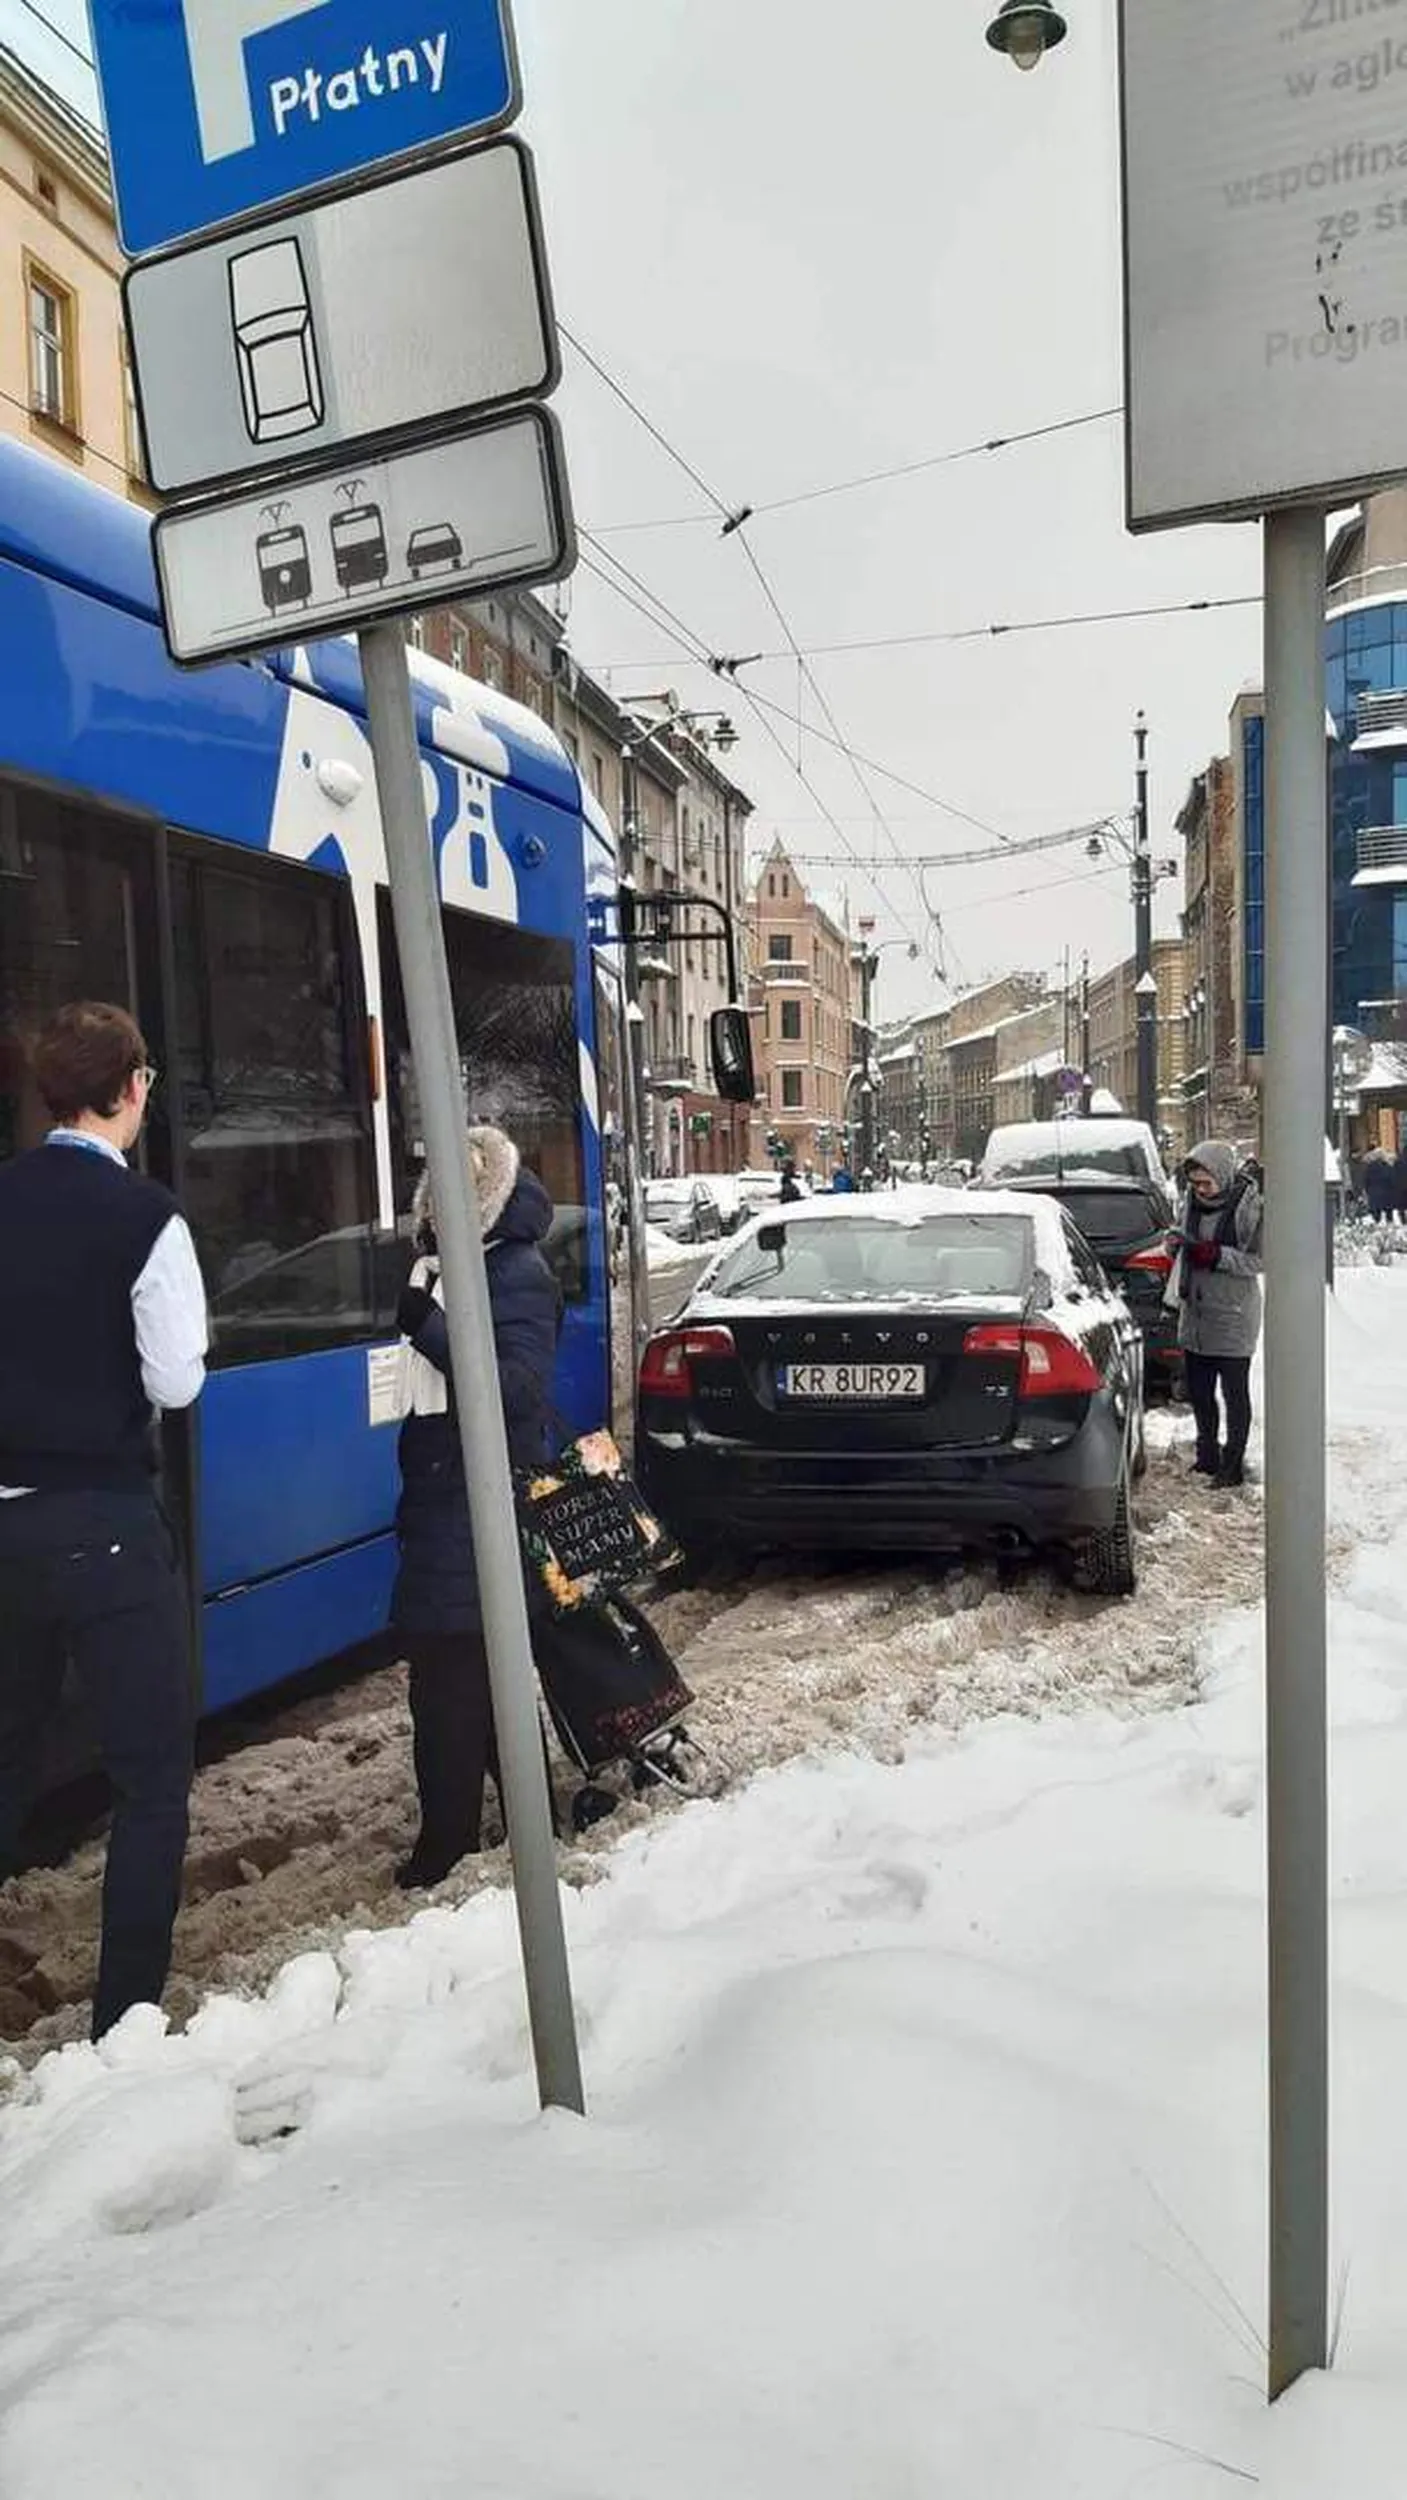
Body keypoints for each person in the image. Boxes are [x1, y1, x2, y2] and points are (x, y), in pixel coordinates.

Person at [0, 1002, 208, 2038]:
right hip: (107, 1527)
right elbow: (174, 1380)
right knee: (150, 1777)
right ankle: (123, 2025)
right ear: (127, 1091)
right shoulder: (148, 1218)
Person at [391, 1125, 559, 1889]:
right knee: (471, 1673)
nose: (435, 1215)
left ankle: (447, 1845)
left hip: (479, 1499)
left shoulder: (515, 1272)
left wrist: (428, 1329)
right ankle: (530, 1817)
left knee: (448, 1677)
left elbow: (515, 1391)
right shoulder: (451, 1268)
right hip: (444, 1494)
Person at [1169, 1139, 1263, 1491]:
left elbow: (1259, 1260)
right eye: (1195, 1183)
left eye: (1206, 1182)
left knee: (1234, 1393)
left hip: (1234, 1316)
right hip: (1196, 1314)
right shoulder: (1191, 1203)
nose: (1200, 1190)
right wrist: (1175, 1244)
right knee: (1200, 1391)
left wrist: (1217, 1255)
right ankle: (1207, 1454)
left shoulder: (1248, 1207)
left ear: (1223, 1176)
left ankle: (1233, 1464)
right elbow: (1178, 1232)